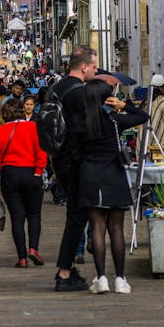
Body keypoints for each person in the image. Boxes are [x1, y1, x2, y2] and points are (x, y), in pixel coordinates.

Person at [80, 78, 149, 294]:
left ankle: (101, 278)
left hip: (90, 176)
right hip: (114, 175)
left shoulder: (80, 121)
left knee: (97, 228)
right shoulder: (115, 122)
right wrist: (124, 106)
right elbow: (143, 116)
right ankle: (120, 278)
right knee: (117, 229)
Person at [53, 44, 98, 292]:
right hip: (75, 160)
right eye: (93, 65)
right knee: (77, 216)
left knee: (76, 215)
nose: (96, 69)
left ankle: (66, 268)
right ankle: (64, 273)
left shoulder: (56, 89)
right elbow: (86, 130)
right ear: (83, 66)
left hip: (60, 159)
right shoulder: (79, 94)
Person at [0, 98, 47, 267]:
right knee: (34, 214)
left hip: (9, 174)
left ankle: (22, 257)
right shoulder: (34, 127)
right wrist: (38, 171)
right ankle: (33, 248)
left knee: (17, 217)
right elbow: (41, 151)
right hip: (31, 173)